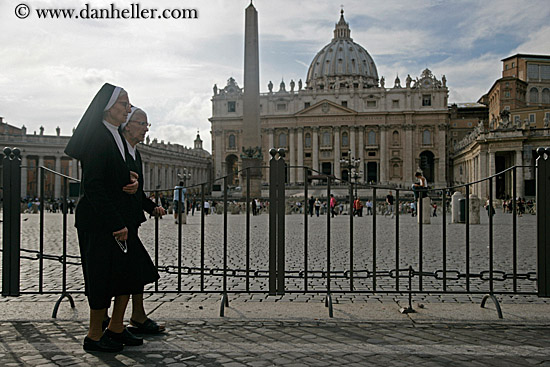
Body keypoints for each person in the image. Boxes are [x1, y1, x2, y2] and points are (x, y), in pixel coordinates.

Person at [64, 83, 156, 352]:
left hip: (116, 219)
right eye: (123, 105)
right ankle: (94, 335)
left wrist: (131, 181)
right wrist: (116, 223)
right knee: (101, 277)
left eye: (128, 105)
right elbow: (92, 185)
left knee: (124, 276)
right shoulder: (98, 137)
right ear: (107, 107)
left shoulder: (113, 136)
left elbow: (111, 175)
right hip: (99, 221)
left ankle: (115, 328)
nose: (127, 109)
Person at [119, 107, 167, 334]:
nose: (146, 129)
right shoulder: (118, 150)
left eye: (147, 125)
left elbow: (138, 190)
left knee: (135, 270)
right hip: (117, 222)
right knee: (126, 272)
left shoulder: (135, 152)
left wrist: (152, 207)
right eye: (141, 123)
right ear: (127, 125)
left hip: (130, 221)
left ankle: (135, 316)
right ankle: (111, 324)